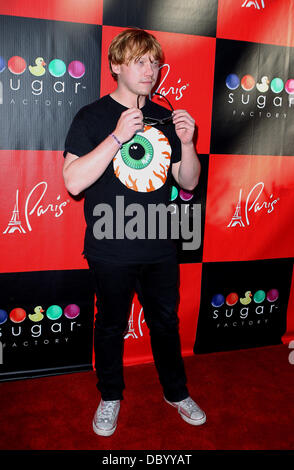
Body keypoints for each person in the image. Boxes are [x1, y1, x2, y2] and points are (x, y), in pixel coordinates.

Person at [63, 28, 205, 437]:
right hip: (110, 247)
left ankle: (176, 393)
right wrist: (116, 137)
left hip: (160, 244)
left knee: (165, 323)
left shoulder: (165, 115)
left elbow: (189, 182)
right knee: (109, 324)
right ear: (116, 67)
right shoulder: (91, 117)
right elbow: (73, 183)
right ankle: (110, 396)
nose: (150, 69)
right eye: (140, 61)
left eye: (154, 62)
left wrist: (188, 142)